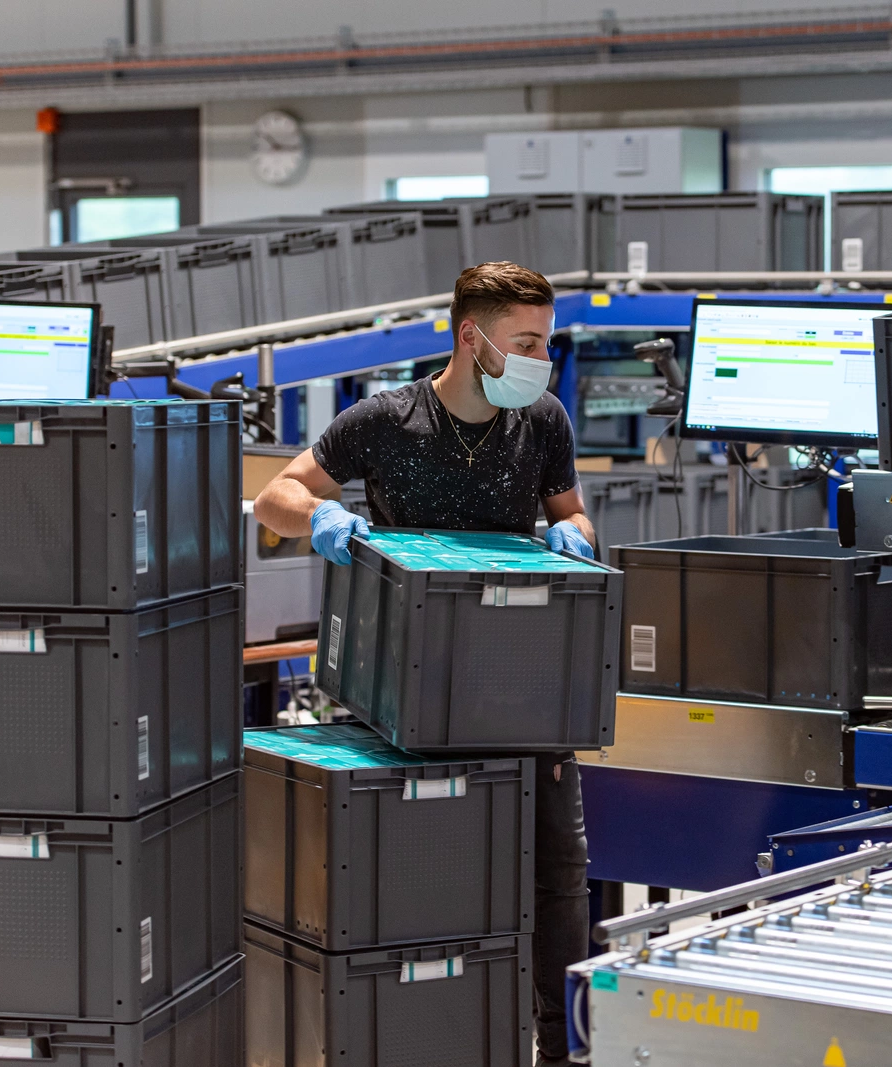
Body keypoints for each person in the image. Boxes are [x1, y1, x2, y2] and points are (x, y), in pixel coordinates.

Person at [254, 260, 596, 1067]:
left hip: (521, 683)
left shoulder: (541, 420)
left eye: (545, 340)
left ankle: (562, 1053)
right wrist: (325, 516)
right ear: (470, 335)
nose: (541, 357)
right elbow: (276, 497)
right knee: (423, 879)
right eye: (526, 341)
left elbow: (572, 510)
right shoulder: (385, 419)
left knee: (558, 885)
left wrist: (575, 536)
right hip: (411, 691)